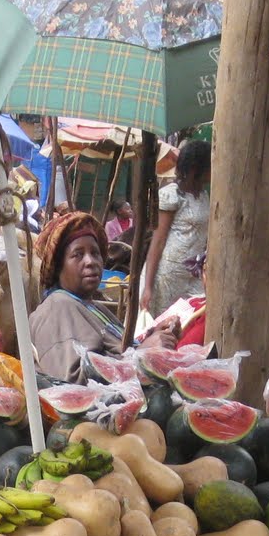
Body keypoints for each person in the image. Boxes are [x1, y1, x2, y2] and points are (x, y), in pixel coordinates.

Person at [29, 211, 178, 381]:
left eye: (95, 253)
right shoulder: (57, 307)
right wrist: (143, 354)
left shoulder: (90, 305)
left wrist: (151, 337)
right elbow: (73, 381)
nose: (90, 261)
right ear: (58, 267)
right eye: (77, 254)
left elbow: (116, 349)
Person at [140, 138, 210, 316]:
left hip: (192, 275)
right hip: (167, 277)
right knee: (165, 325)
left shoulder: (203, 195)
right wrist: (147, 287)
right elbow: (158, 242)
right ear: (197, 169)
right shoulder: (172, 195)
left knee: (192, 320)